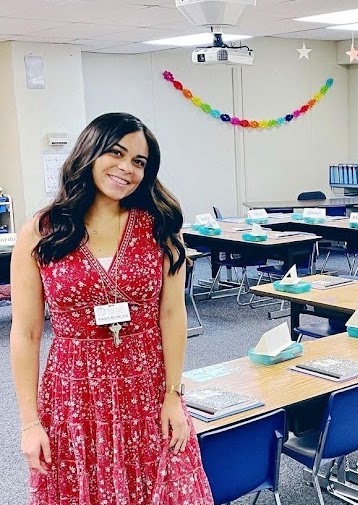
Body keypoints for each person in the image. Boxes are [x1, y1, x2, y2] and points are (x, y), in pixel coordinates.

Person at [10, 113, 214, 504]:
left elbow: (172, 316)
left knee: (164, 484)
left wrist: (174, 395)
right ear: (90, 152)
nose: (127, 169)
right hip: (74, 392)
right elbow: (26, 333)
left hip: (146, 385)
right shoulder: (43, 230)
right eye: (116, 153)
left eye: (139, 162)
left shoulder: (159, 225)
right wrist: (29, 423)